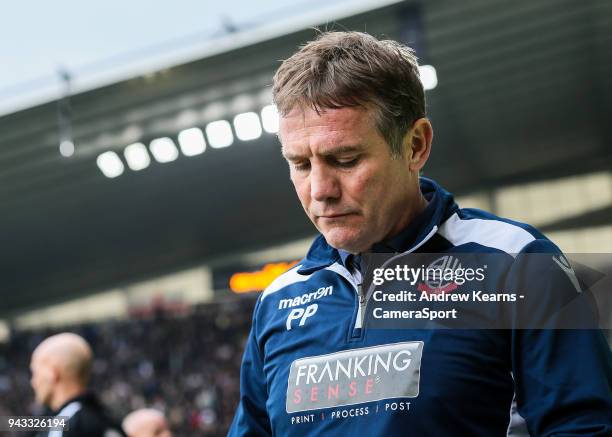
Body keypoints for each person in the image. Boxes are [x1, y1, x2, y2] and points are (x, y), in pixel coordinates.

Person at [228, 31, 612, 436]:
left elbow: (585, 427)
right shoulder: (278, 300)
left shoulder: (516, 263)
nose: (321, 189)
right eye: (301, 165)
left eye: (344, 159)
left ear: (415, 145)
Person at [29, 332, 125, 437]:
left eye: (35, 373)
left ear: (52, 373)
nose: (33, 382)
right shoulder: (110, 421)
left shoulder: (62, 426)